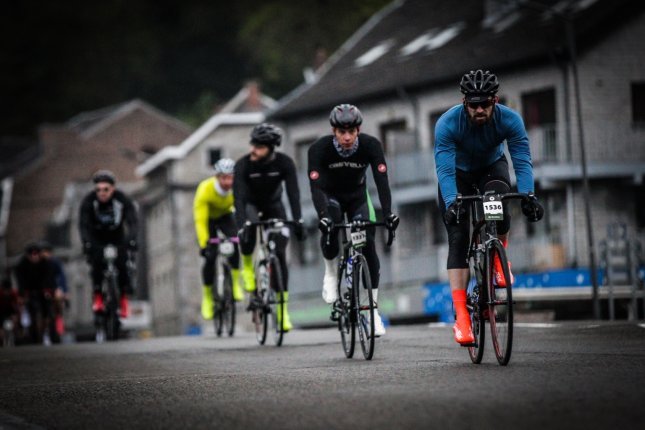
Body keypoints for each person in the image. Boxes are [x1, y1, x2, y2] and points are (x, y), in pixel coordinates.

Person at [434, 70, 544, 345]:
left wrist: (529, 196)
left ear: (495, 100)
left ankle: (498, 256)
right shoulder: (448, 124)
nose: (479, 109)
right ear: (464, 103)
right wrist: (451, 204)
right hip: (457, 174)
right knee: (458, 238)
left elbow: (521, 159)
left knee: (499, 201)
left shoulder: (510, 120)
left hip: (490, 168)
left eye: (485, 103)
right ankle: (461, 317)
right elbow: (445, 171)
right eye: (473, 104)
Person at [307, 104, 399, 337]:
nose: (347, 137)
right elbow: (316, 188)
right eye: (341, 132)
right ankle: (330, 273)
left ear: (358, 130)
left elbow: (381, 182)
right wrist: (323, 216)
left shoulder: (371, 145)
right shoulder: (319, 149)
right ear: (333, 131)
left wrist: (387, 213)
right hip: (331, 198)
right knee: (331, 228)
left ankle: (372, 311)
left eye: (351, 132)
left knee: (368, 244)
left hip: (358, 198)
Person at [234, 123, 305, 332]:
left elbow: (293, 193)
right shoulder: (243, 165)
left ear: (271, 148)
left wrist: (298, 220)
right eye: (252, 144)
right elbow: (237, 198)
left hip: (275, 207)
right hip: (251, 206)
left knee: (280, 254)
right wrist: (241, 225)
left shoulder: (284, 163)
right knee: (247, 233)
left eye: (259, 146)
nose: (253, 150)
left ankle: (283, 314)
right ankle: (248, 266)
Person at [79, 170, 138, 320]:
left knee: (123, 264)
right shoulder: (88, 202)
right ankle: (98, 294)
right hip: (96, 238)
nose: (102, 193)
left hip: (117, 237)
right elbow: (83, 225)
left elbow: (132, 221)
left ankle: (123, 297)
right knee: (96, 264)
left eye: (106, 189)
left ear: (113, 189)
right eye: (98, 190)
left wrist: (131, 239)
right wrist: (86, 243)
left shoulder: (122, 199)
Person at [193, 158, 243, 321]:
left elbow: (241, 210)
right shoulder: (205, 189)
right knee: (210, 256)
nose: (228, 182)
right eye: (224, 178)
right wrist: (204, 242)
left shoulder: (237, 188)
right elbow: (200, 219)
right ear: (217, 177)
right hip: (208, 219)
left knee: (235, 243)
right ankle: (207, 296)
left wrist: (242, 232)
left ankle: (235, 283)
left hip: (225, 216)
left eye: (231, 178)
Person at [13, 242, 57, 345]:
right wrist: (22, 294)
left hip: (43, 290)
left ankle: (51, 333)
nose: (34, 257)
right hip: (30, 290)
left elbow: (50, 278)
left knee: (49, 310)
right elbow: (21, 281)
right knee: (31, 312)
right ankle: (34, 336)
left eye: (36, 254)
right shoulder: (22, 265)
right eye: (32, 254)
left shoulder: (46, 263)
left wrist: (49, 290)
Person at [38, 241, 69, 339]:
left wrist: (63, 290)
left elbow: (61, 277)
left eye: (47, 252)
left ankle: (58, 328)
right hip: (42, 290)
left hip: (53, 289)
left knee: (57, 308)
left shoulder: (55, 262)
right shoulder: (39, 264)